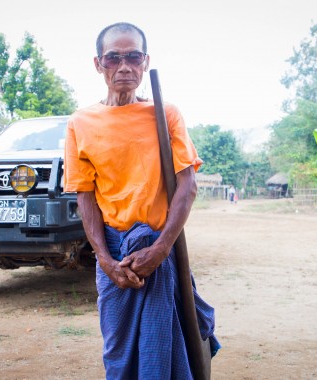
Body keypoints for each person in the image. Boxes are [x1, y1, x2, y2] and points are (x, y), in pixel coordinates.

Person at [64, 22, 219, 379]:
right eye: (113, 58)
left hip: (159, 245)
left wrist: (161, 249)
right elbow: (85, 196)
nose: (124, 66)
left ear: (145, 61)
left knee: (169, 349)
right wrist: (104, 259)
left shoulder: (166, 114)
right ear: (97, 64)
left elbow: (188, 185)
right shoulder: (80, 123)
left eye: (133, 56)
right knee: (117, 352)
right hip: (115, 250)